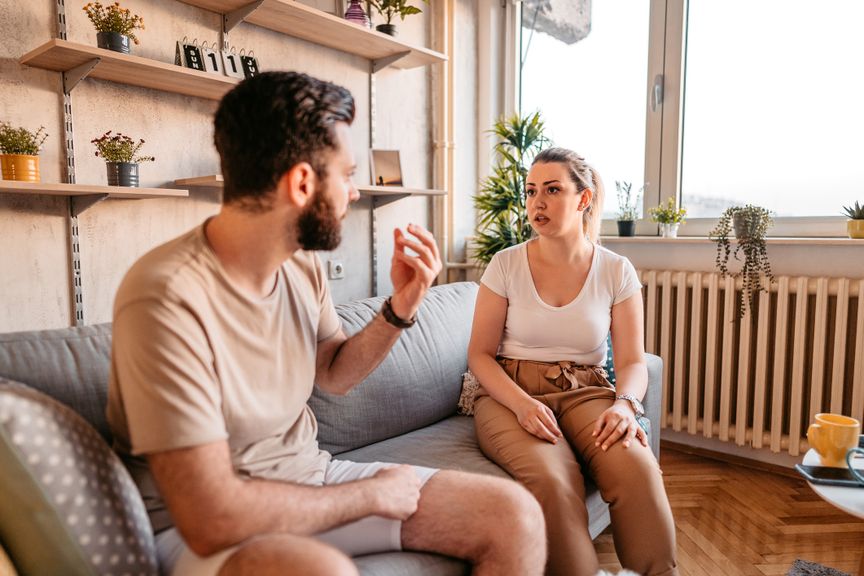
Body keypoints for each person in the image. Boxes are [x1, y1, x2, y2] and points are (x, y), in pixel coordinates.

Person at [106, 71, 546, 576]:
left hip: (311, 477)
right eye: (348, 174)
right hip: (200, 533)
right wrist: (370, 494)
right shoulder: (165, 297)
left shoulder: (300, 262)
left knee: (516, 516)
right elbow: (211, 518)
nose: (354, 193)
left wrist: (401, 306)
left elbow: (335, 372)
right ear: (301, 183)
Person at [467, 147, 679, 576]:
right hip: (511, 391)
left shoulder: (616, 271)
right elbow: (480, 356)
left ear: (583, 199)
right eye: (530, 192)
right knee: (553, 481)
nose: (536, 203)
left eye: (552, 190)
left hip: (587, 390)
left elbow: (634, 362)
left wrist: (625, 406)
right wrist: (523, 405)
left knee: (636, 467)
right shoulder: (505, 264)